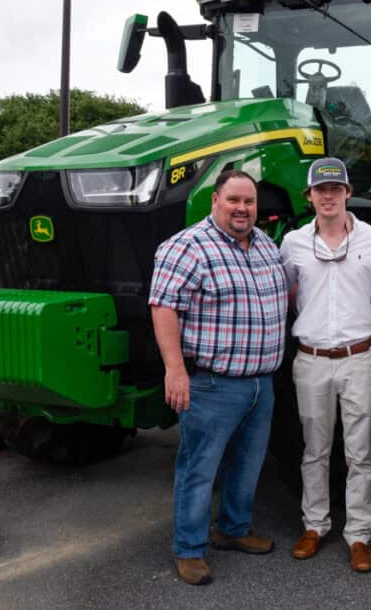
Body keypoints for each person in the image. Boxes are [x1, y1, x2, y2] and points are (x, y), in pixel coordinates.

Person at [149, 169, 289, 586]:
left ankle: (232, 529)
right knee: (199, 467)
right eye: (234, 201)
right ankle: (189, 549)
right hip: (212, 382)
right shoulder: (187, 246)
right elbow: (163, 307)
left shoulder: (264, 243)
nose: (242, 209)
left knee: (248, 464)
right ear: (215, 201)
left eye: (249, 202)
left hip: (261, 382)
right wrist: (175, 371)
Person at [280, 157, 371, 573]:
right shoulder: (292, 243)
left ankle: (360, 535)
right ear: (309, 197)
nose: (328, 196)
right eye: (320, 190)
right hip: (311, 359)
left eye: (336, 189)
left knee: (360, 452)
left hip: (358, 358)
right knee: (314, 450)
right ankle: (315, 525)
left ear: (347, 193)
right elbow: (285, 291)